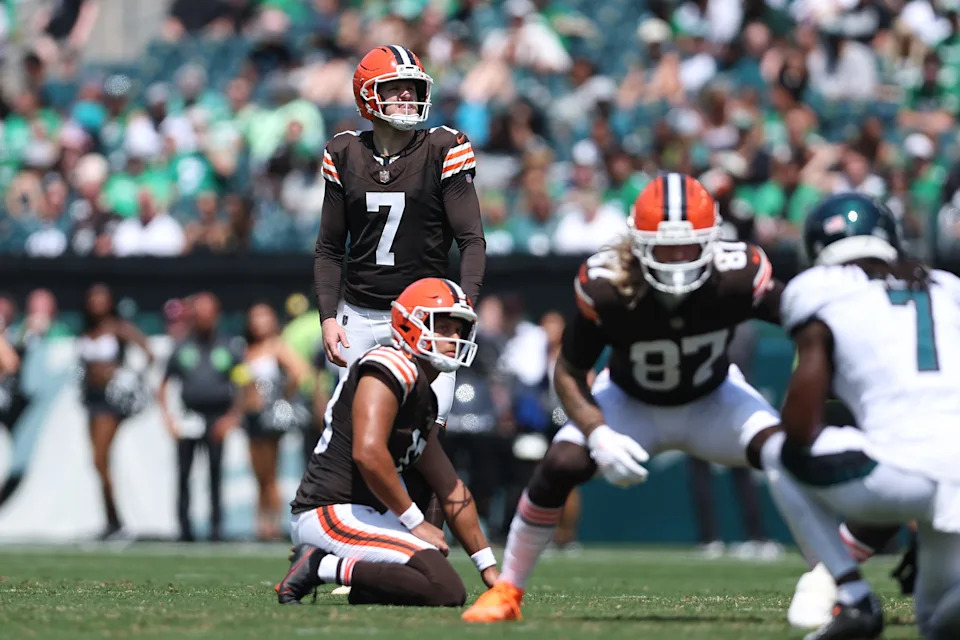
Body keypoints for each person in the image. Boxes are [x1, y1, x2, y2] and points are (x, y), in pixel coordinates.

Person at [462, 173, 786, 622]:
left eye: (688, 246)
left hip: (715, 398)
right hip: (631, 402)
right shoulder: (607, 284)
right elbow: (570, 371)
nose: (676, 261)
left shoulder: (740, 273)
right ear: (638, 242)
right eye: (664, 246)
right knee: (559, 464)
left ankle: (837, 582)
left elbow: (806, 323)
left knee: (791, 456)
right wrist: (597, 434)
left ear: (713, 241)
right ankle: (508, 589)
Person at [759, 193, 960, 640]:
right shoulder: (949, 287)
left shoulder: (819, 290)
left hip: (899, 473)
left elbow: (801, 426)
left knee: (776, 448)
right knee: (937, 622)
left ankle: (852, 598)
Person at [275, 278, 499, 606]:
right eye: (444, 327)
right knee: (446, 587)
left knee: (433, 576)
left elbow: (450, 487)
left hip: (365, 513)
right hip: (330, 510)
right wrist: (415, 522)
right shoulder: (388, 366)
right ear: (411, 325)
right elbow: (368, 453)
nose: (454, 338)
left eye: (459, 330)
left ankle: (362, 585)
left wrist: (490, 569)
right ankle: (318, 566)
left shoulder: (423, 396)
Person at [313, 44, 486, 431]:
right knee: (355, 441)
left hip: (425, 315)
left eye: (413, 85)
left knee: (423, 437)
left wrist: (464, 306)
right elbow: (328, 246)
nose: (407, 94)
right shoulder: (344, 152)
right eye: (395, 86)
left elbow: (472, 240)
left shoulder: (444, 148)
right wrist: (328, 316)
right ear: (367, 94)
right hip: (359, 315)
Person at [218, 303, 311, 541]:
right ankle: (261, 525)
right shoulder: (246, 349)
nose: (260, 322)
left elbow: (301, 373)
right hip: (250, 417)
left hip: (268, 417)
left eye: (264, 317)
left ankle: (275, 524)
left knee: (270, 474)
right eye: (255, 317)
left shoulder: (277, 346)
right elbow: (240, 386)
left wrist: (282, 397)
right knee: (258, 474)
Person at [158, 293, 244, 542]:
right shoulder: (182, 347)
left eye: (208, 314)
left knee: (215, 473)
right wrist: (168, 419)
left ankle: (217, 527)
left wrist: (232, 417)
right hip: (188, 417)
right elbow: (162, 386)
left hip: (217, 416)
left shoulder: (228, 347)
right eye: (199, 314)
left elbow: (242, 384)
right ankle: (184, 528)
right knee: (184, 473)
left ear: (216, 316)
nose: (203, 319)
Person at [78, 284, 154, 540]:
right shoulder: (86, 330)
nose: (97, 303)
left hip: (110, 403)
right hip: (92, 400)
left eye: (102, 298)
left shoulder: (119, 328)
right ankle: (111, 520)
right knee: (99, 463)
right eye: (93, 298)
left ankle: (116, 520)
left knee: (100, 459)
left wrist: (130, 377)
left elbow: (149, 352)